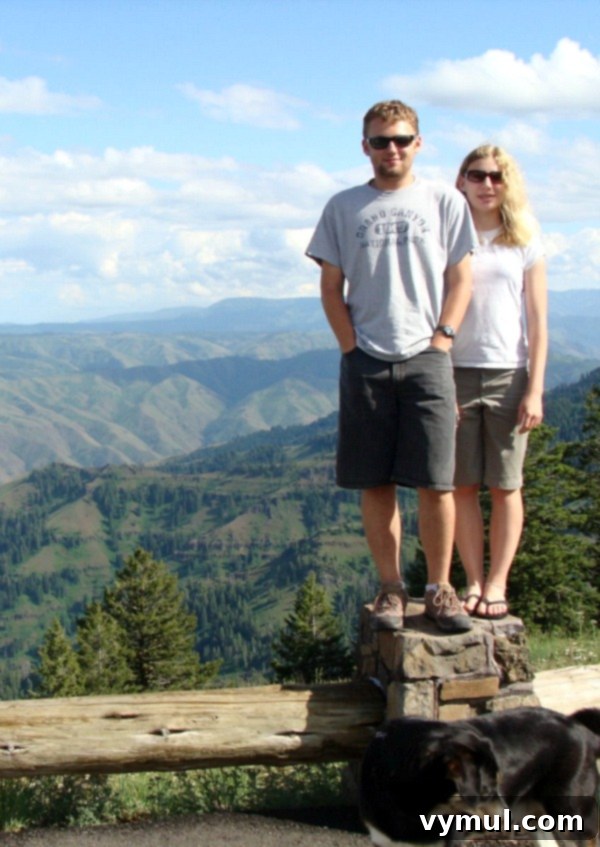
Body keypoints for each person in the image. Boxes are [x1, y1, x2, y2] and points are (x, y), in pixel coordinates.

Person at [306, 100, 477, 633]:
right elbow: (330, 287)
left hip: (428, 354)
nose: (392, 149)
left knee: (436, 481)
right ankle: (391, 588)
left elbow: (461, 277)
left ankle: (439, 588)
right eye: (381, 141)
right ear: (366, 147)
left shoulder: (446, 201)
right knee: (374, 481)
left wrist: (443, 338)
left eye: (401, 139)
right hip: (367, 358)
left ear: (418, 143)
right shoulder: (343, 207)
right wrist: (350, 346)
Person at [452, 144, 548, 620]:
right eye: (477, 175)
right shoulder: (450, 236)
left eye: (496, 176)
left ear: (507, 183)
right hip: (455, 372)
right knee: (462, 484)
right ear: (462, 181)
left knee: (506, 486)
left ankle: (497, 583)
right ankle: (470, 579)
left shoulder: (524, 238)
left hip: (510, 373)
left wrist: (535, 388)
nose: (487, 184)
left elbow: (537, 319)